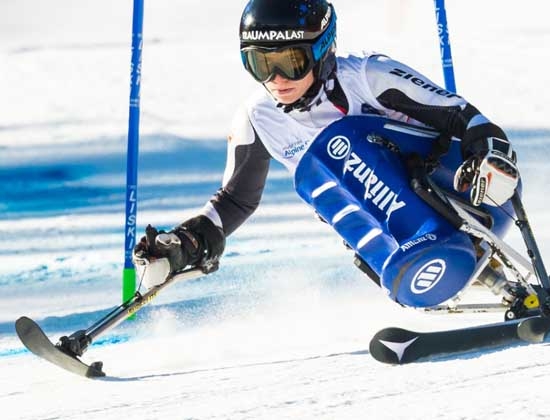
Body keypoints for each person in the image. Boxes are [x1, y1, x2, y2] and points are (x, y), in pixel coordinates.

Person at [133, 0, 520, 305]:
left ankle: (433, 243)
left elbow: (467, 120)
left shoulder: (370, 77)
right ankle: (404, 268)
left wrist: (491, 158)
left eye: (290, 62)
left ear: (322, 51)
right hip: (401, 247)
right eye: (260, 64)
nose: (277, 80)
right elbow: (234, 201)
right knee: (315, 173)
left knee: (338, 142)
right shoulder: (259, 117)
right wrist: (184, 244)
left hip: (473, 196)